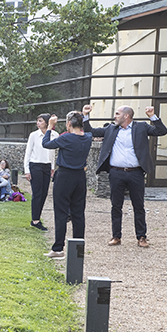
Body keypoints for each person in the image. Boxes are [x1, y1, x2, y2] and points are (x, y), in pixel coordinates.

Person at [88, 103, 167, 248]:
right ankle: (116, 236)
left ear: (126, 116)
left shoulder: (141, 127)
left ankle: (141, 237)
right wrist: (86, 115)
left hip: (135, 173)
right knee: (116, 206)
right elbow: (91, 131)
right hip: (116, 173)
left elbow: (161, 131)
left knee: (138, 206)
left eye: (117, 113)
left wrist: (152, 117)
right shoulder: (111, 129)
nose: (114, 116)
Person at [42, 110, 95, 259]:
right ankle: (78, 250)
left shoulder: (66, 138)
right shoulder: (88, 138)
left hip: (65, 176)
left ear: (69, 124)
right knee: (78, 213)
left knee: (61, 212)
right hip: (80, 176)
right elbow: (87, 132)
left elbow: (46, 144)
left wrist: (50, 127)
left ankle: (58, 248)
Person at [24, 113, 58, 231]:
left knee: (44, 193)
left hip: (47, 166)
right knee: (37, 193)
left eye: (40, 121)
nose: (38, 123)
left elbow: (53, 153)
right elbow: (28, 152)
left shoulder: (54, 135)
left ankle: (37, 217)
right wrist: (27, 170)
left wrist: (52, 167)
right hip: (35, 165)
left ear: (47, 122)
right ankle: (35, 220)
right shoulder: (33, 135)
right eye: (37, 121)